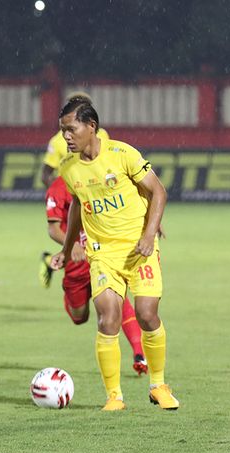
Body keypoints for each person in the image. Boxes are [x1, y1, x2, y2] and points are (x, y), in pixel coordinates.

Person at [50, 98, 179, 411]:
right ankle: (114, 397)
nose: (66, 136)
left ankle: (158, 385)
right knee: (108, 317)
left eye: (71, 129)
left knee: (147, 314)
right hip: (102, 253)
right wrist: (66, 250)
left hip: (139, 247)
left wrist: (150, 232)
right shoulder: (68, 169)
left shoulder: (122, 154)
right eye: (62, 130)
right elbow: (79, 204)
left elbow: (157, 190)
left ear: (91, 126)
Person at [45, 174, 148, 376]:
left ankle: (139, 353)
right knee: (79, 316)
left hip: (104, 254)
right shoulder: (59, 186)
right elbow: (53, 228)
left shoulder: (104, 177)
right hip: (77, 261)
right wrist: (71, 245)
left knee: (116, 301)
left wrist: (149, 221)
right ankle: (51, 264)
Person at [38, 93, 109, 288]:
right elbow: (45, 174)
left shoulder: (101, 135)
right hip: (74, 202)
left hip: (97, 202)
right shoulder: (58, 141)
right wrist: (62, 194)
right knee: (76, 250)